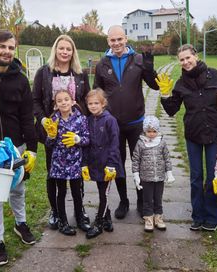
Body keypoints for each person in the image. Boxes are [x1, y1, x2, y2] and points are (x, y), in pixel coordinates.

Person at [158, 44, 217, 232]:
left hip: (215, 134)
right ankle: (197, 216)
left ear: (195, 56)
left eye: (188, 57)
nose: (186, 62)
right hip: (193, 134)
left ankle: (212, 216)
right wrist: (165, 94)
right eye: (182, 59)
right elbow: (172, 110)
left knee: (213, 176)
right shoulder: (181, 84)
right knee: (196, 177)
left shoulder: (215, 75)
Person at [0, 30, 38, 266]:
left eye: (11, 48)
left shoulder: (20, 79)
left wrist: (31, 149)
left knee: (17, 190)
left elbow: (26, 116)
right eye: (2, 46)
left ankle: (20, 224)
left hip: (15, 145)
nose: (7, 52)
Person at [93, 25, 160, 219]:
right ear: (108, 42)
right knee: (118, 162)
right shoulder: (102, 64)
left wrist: (149, 69)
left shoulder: (138, 59)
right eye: (112, 40)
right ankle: (123, 201)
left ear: (126, 39)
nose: (116, 43)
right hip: (113, 124)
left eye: (119, 39)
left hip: (137, 122)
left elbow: (154, 86)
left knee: (140, 163)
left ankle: (141, 200)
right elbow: (97, 92)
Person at [32, 35, 91, 231]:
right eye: (61, 48)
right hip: (53, 131)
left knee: (77, 174)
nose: (65, 52)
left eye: (69, 49)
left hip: (74, 130)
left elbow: (87, 98)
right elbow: (36, 100)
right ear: (55, 50)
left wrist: (83, 122)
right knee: (53, 174)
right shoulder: (44, 72)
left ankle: (79, 210)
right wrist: (43, 120)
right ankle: (56, 211)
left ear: (73, 52)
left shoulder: (80, 74)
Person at [44, 89, 90, 236]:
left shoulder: (81, 119)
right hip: (59, 163)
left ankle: (80, 218)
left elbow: (87, 139)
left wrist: (78, 139)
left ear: (72, 102)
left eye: (66, 99)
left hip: (76, 161)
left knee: (77, 191)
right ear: (56, 105)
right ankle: (63, 221)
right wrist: (51, 136)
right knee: (61, 192)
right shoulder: (54, 120)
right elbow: (48, 144)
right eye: (59, 101)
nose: (63, 102)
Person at [81, 88, 124, 239]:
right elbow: (86, 143)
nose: (93, 106)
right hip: (95, 162)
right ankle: (107, 218)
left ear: (103, 103)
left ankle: (99, 223)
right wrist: (84, 163)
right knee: (100, 190)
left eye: (96, 103)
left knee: (104, 193)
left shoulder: (110, 120)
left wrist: (112, 164)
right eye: (90, 103)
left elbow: (115, 143)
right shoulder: (89, 120)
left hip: (107, 164)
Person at [131, 116, 174, 232]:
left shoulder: (162, 142)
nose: (151, 134)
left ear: (158, 131)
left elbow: (167, 158)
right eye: (149, 131)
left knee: (158, 198)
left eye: (154, 131)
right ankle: (148, 218)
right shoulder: (141, 143)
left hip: (159, 177)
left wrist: (169, 173)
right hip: (146, 178)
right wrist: (136, 176)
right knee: (147, 199)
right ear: (145, 131)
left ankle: (158, 218)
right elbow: (135, 159)